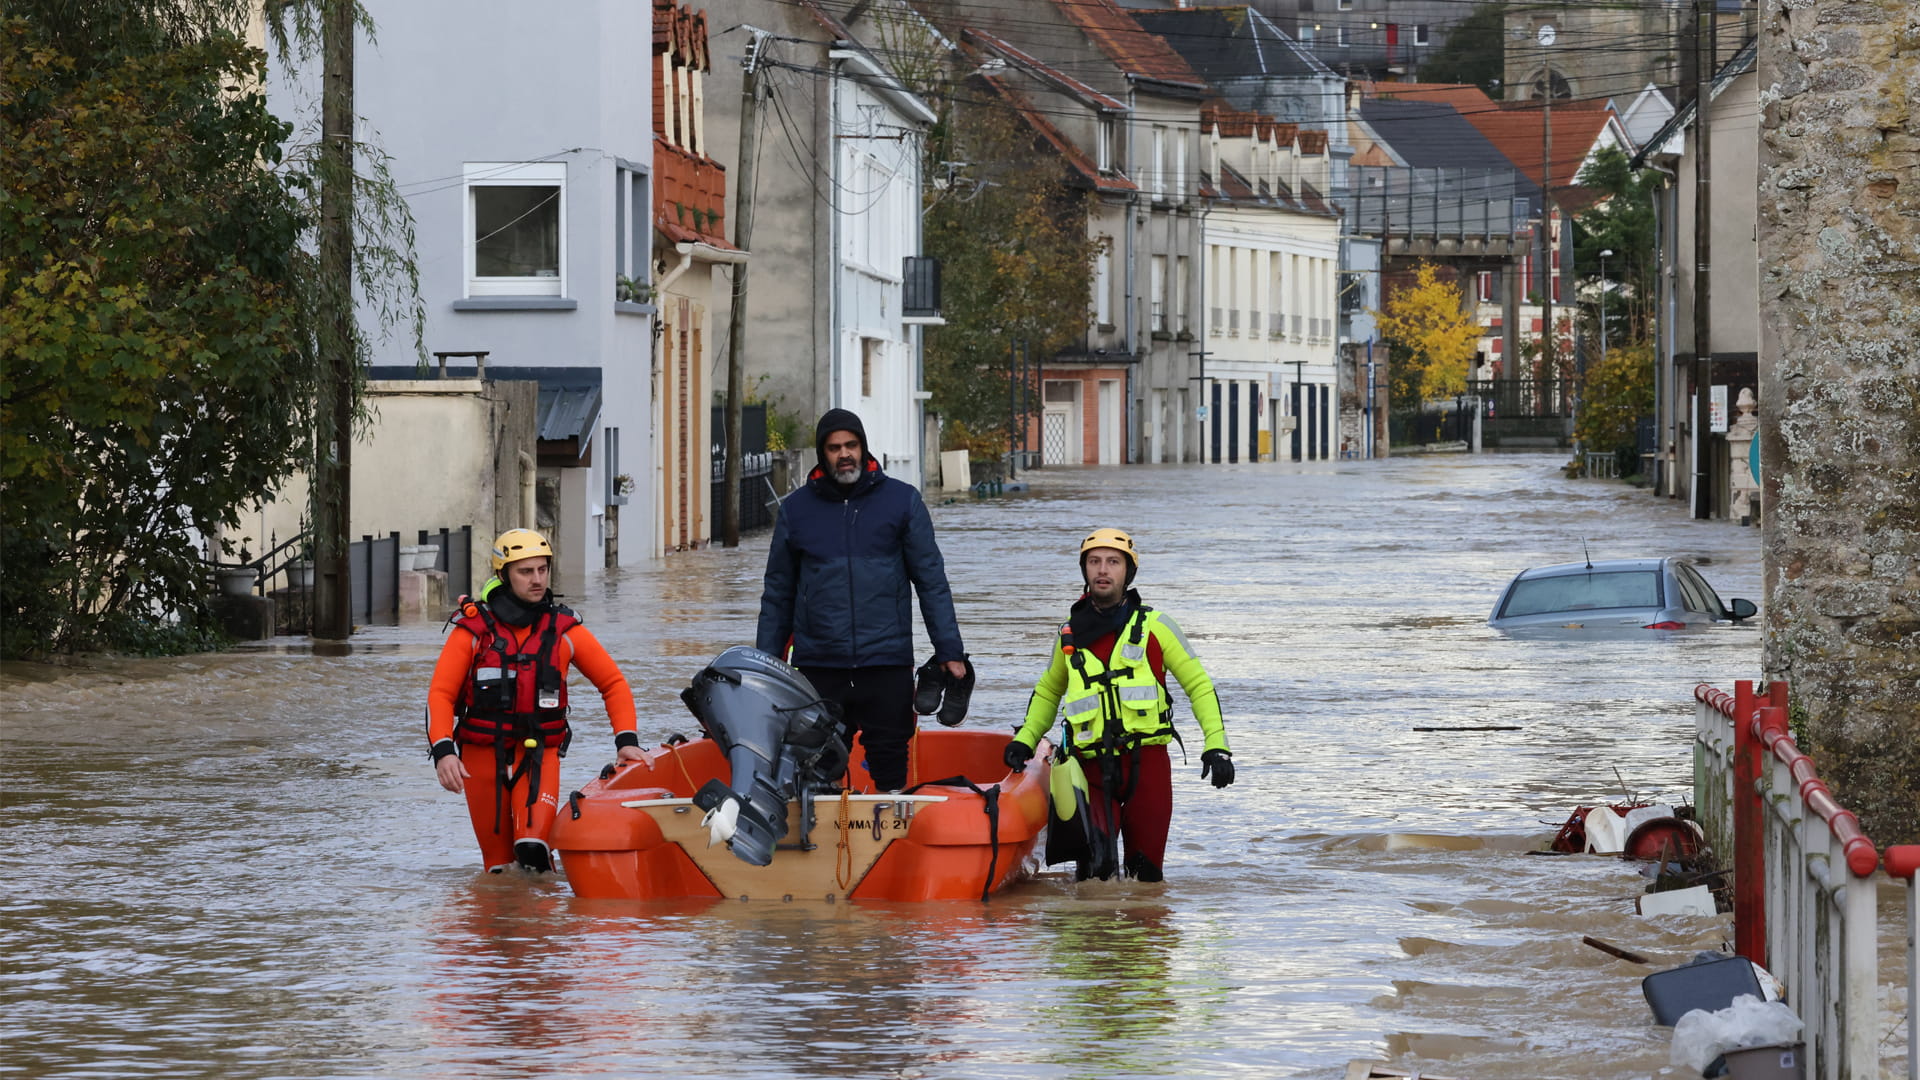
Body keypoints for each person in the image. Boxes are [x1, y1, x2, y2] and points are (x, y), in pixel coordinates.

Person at [1002, 528, 1234, 882]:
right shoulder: (1067, 635)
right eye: (1094, 562)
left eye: (1113, 562)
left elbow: (1199, 686)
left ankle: (1141, 936)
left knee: (1147, 880)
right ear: (1085, 571)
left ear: (1128, 572)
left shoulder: (1157, 627)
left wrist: (1217, 746)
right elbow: (1049, 691)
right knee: (1095, 878)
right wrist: (1026, 739)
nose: (1103, 570)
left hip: (1148, 768)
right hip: (1089, 771)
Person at [757, 409, 966, 792]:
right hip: (819, 667)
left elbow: (931, 581)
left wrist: (949, 649)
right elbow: (777, 596)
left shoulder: (903, 502)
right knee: (815, 772)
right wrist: (765, 667)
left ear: (864, 448)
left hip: (885, 663)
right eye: (834, 448)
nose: (844, 454)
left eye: (851, 445)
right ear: (823, 454)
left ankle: (893, 845)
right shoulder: (796, 510)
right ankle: (818, 845)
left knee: (890, 768)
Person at [425, 528, 644, 872]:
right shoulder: (472, 631)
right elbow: (440, 694)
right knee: (498, 869)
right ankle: (504, 921)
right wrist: (442, 751)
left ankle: (544, 920)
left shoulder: (564, 631)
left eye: (542, 570)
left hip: (539, 752)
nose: (537, 579)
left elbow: (613, 683)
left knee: (532, 851)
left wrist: (626, 740)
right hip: (481, 757)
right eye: (526, 572)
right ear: (503, 575)